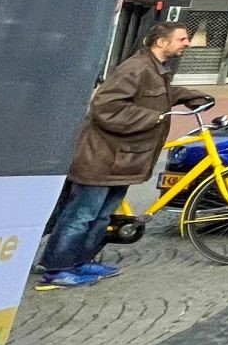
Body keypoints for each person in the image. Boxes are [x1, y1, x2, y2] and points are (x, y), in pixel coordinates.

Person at [37, 23, 197, 289]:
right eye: (182, 38)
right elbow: (106, 107)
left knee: (101, 216)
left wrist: (192, 96)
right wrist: (153, 117)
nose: (187, 43)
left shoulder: (155, 70)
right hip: (102, 157)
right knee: (81, 215)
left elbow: (161, 95)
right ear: (160, 42)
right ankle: (56, 269)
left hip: (123, 160)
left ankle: (81, 261)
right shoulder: (135, 68)